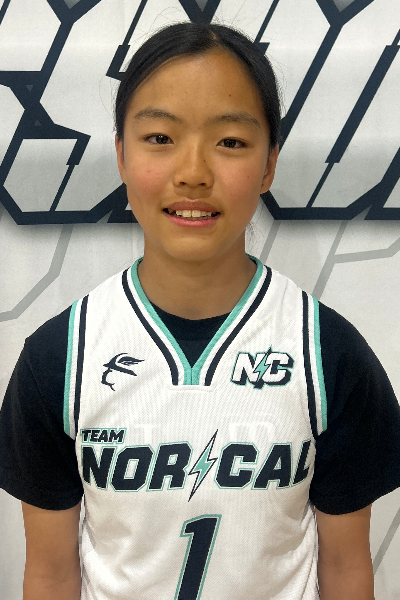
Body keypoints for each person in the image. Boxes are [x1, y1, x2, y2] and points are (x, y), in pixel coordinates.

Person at [1, 21, 400, 600]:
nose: (193, 173)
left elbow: (345, 568)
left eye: (230, 142)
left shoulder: (327, 353)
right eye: (160, 137)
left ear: (269, 164)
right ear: (121, 155)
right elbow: (50, 574)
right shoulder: (58, 358)